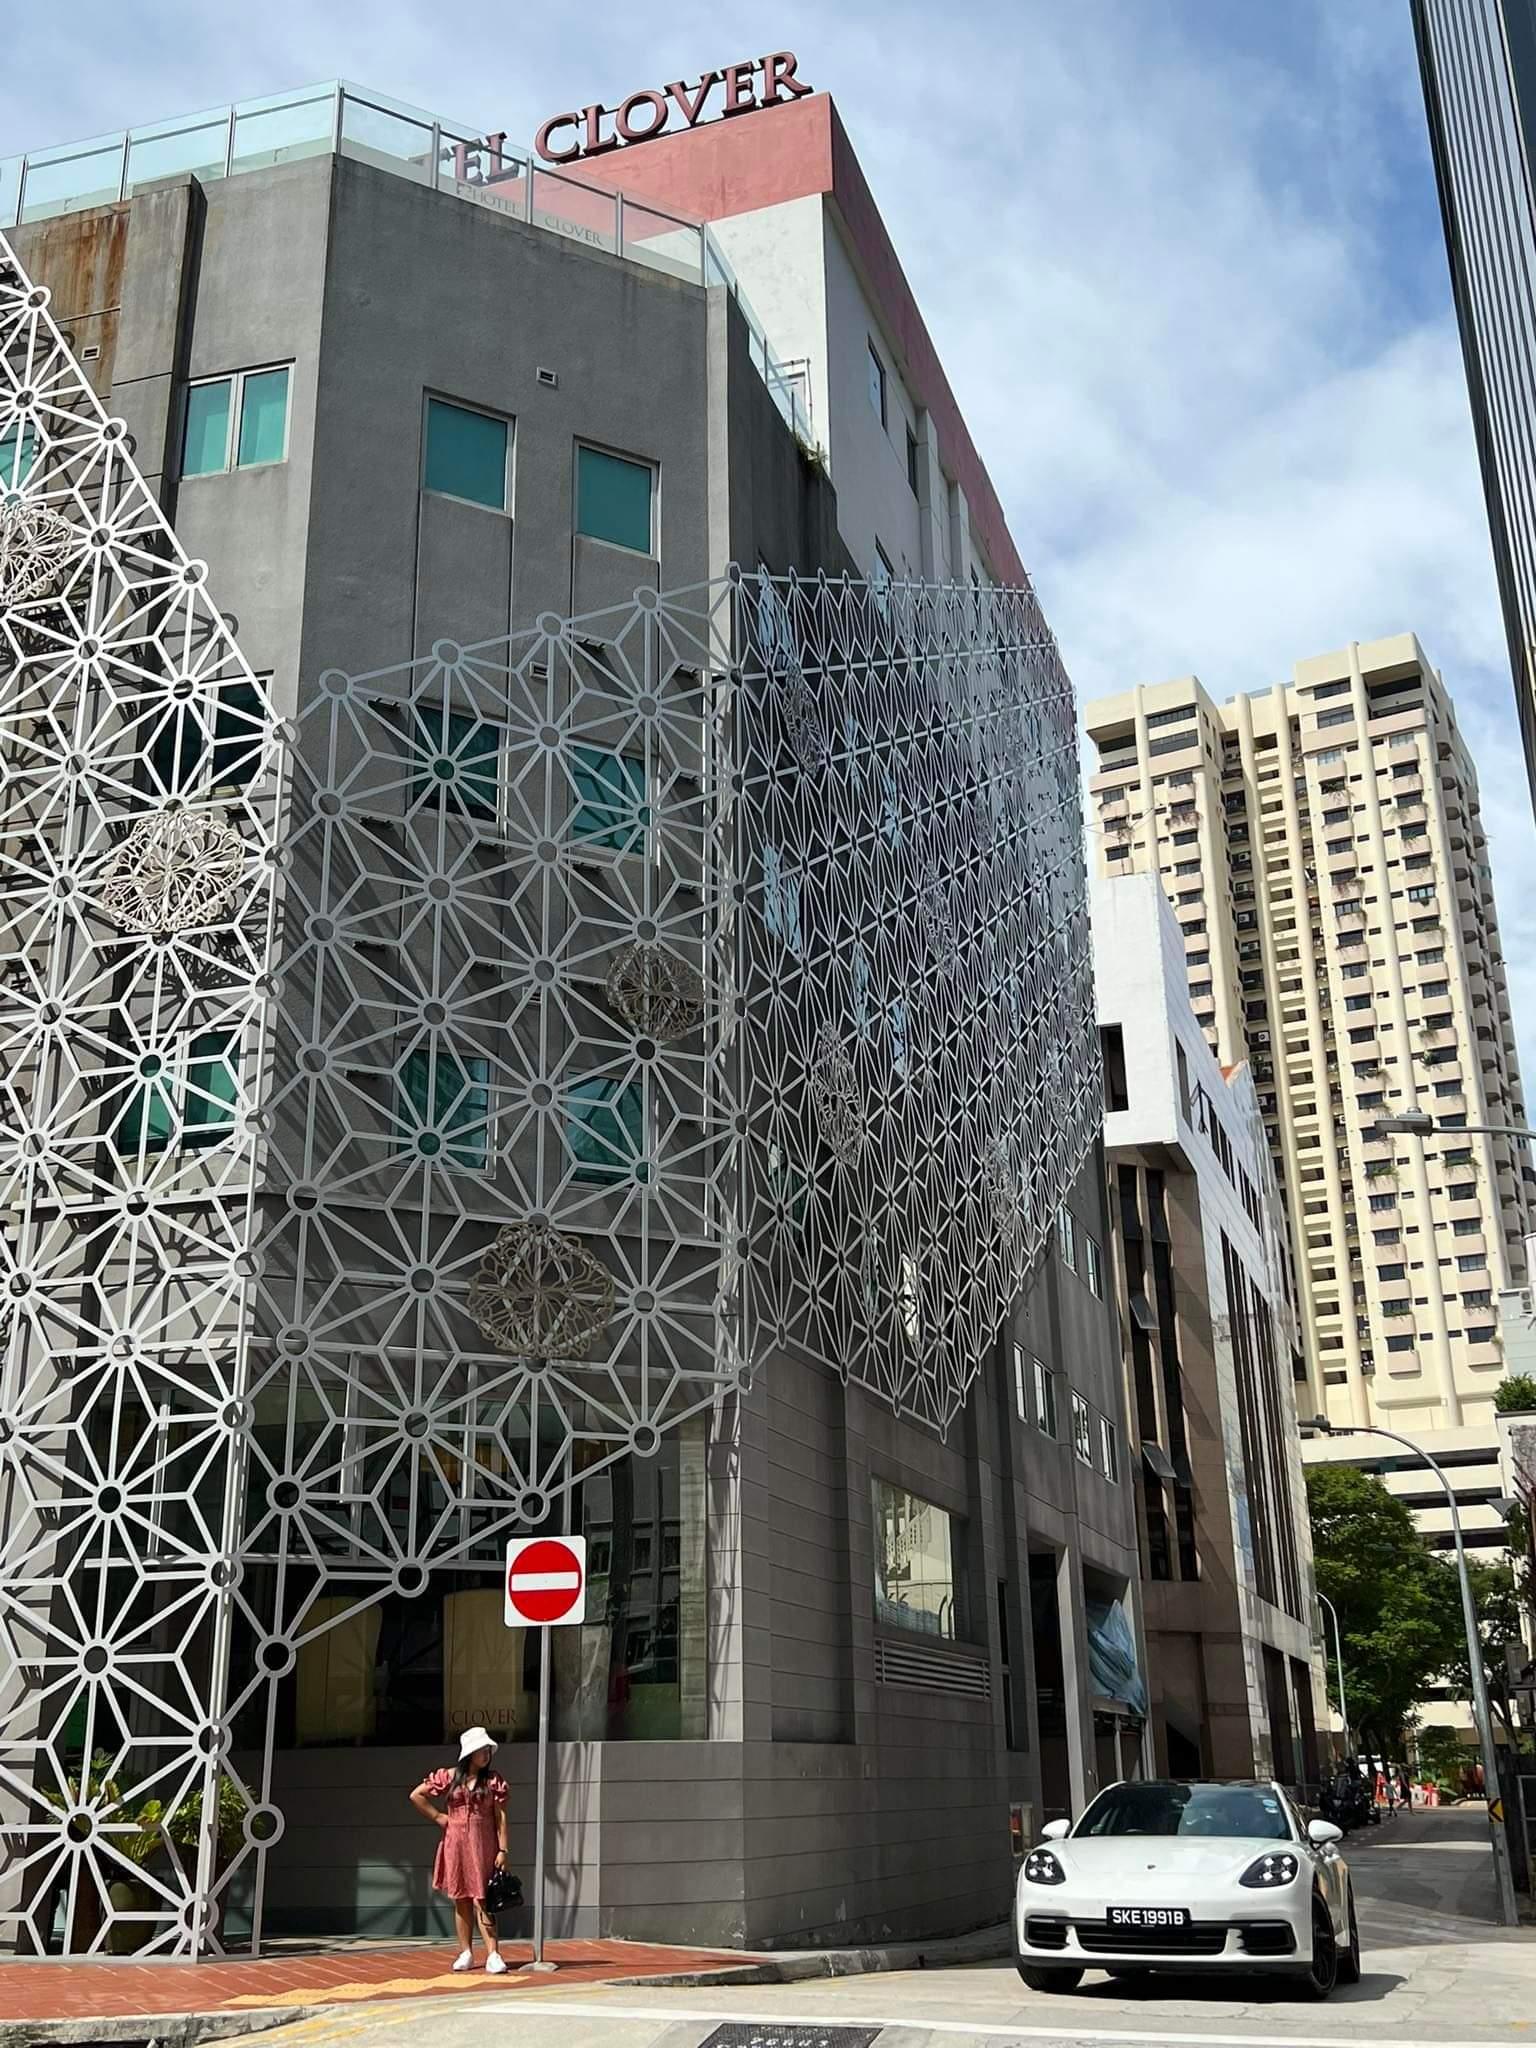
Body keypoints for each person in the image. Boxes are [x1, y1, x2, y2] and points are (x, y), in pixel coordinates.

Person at [410, 1726, 511, 1974]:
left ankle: (493, 1953)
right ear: (469, 1753)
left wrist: (503, 1850)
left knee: (482, 1898)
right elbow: (417, 1795)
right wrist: (438, 1817)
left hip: (482, 1844)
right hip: (455, 1843)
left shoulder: (492, 1781)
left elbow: (501, 1818)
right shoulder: (449, 1776)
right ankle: (465, 1951)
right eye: (481, 1750)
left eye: (487, 1749)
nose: (486, 1754)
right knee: (461, 1898)